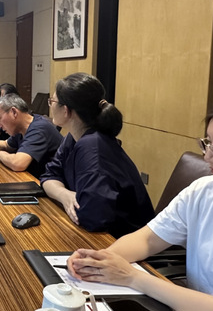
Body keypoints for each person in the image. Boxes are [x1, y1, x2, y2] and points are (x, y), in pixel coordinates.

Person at [67, 91, 213, 311]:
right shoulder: (204, 191)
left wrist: (134, 278)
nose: (208, 157)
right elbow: (147, 239)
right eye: (208, 144)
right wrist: (100, 262)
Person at [40, 72, 153, 237]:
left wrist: (61, 193)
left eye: (52, 101)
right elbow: (49, 175)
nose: (50, 105)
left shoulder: (92, 146)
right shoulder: (73, 137)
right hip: (99, 234)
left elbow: (92, 218)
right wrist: (64, 195)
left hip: (120, 241)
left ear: (66, 110)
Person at [0, 93, 62, 178]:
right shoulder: (21, 127)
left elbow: (18, 164)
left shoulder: (39, 128)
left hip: (48, 185)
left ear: (14, 112)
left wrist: (0, 154)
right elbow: (6, 144)